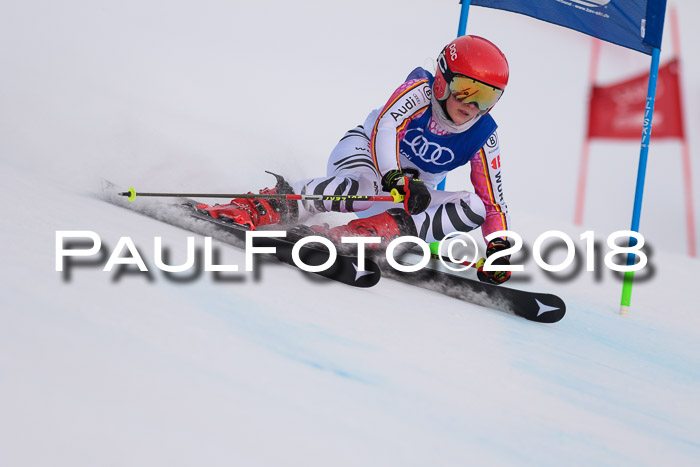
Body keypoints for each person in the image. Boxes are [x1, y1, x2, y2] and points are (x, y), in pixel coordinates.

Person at [199, 35, 512, 284]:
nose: (472, 105)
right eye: (466, 90)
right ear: (443, 81)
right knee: (366, 185)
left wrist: (499, 247)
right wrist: (395, 178)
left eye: (486, 97)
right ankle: (257, 207)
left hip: (404, 200)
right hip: (366, 162)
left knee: (474, 206)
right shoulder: (419, 93)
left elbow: (494, 202)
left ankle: (359, 237)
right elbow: (385, 127)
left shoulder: (484, 135)